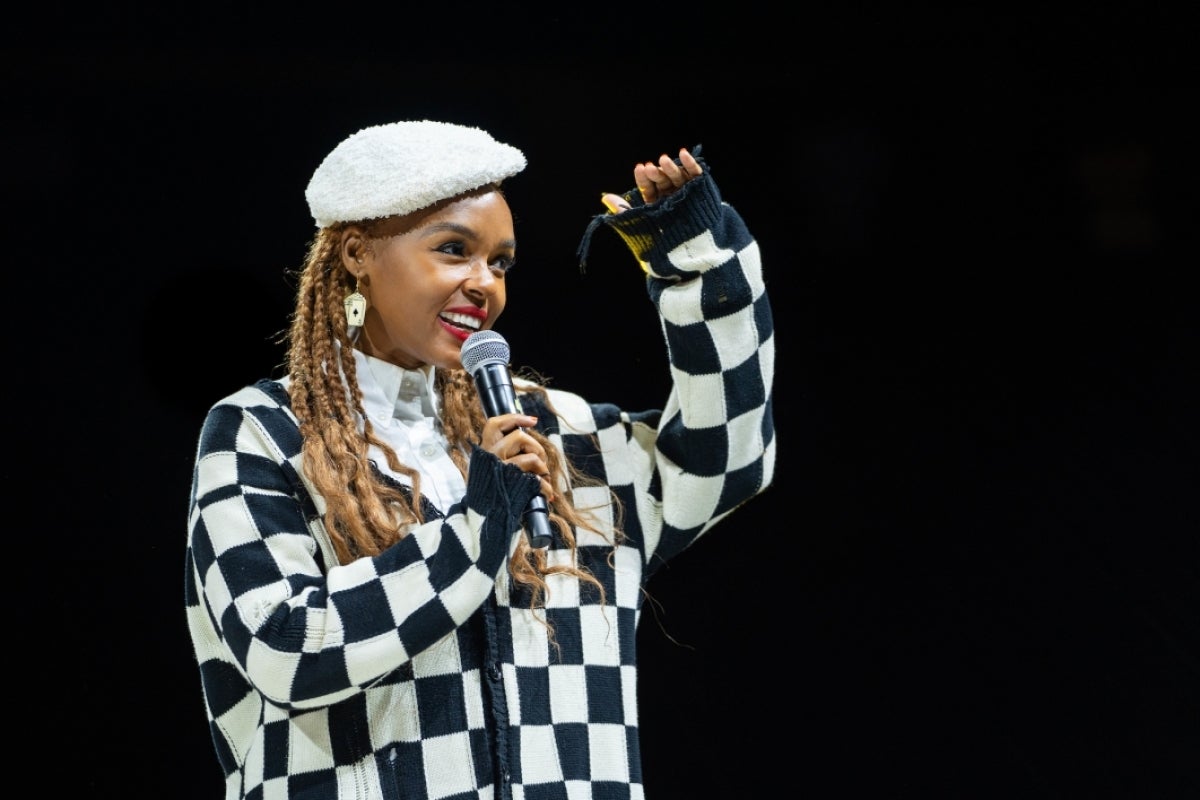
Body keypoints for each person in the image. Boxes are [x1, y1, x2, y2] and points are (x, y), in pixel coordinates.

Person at [184, 119, 776, 800]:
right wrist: (476, 528)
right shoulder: (263, 432)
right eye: (453, 249)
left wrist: (699, 263)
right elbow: (284, 647)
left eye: (499, 263)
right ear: (356, 254)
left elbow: (725, 462)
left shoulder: (551, 432)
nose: (483, 284)